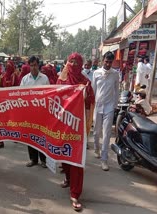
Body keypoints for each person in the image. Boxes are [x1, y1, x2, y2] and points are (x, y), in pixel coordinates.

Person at [57, 53, 95, 211]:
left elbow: (91, 101)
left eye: (76, 62)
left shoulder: (85, 82)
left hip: (78, 128)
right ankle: (67, 178)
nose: (73, 64)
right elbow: (55, 97)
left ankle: (75, 194)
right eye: (71, 61)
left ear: (81, 64)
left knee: (77, 161)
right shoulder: (61, 80)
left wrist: (85, 96)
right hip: (65, 125)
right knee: (65, 156)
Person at [20, 56, 49, 168]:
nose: (33, 67)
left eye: (35, 65)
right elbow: (21, 95)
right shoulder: (25, 79)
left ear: (39, 65)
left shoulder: (44, 78)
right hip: (29, 112)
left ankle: (43, 160)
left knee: (41, 136)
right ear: (29, 66)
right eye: (31, 65)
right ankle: (33, 159)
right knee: (30, 136)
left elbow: (49, 94)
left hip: (41, 112)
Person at [92, 51, 119, 171]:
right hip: (98, 106)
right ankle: (96, 148)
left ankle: (104, 159)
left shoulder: (115, 74)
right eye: (106, 61)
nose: (108, 64)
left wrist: (115, 105)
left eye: (110, 62)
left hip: (109, 107)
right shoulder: (96, 73)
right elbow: (93, 89)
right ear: (103, 60)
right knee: (96, 132)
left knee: (107, 133)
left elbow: (117, 90)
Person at [0, 60, 20, 149]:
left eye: (10, 66)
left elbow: (18, 89)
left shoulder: (15, 76)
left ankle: (16, 136)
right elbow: (0, 88)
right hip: (4, 102)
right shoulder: (3, 76)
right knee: (1, 121)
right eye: (7, 66)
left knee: (14, 121)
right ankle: (0, 141)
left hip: (13, 102)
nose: (8, 67)